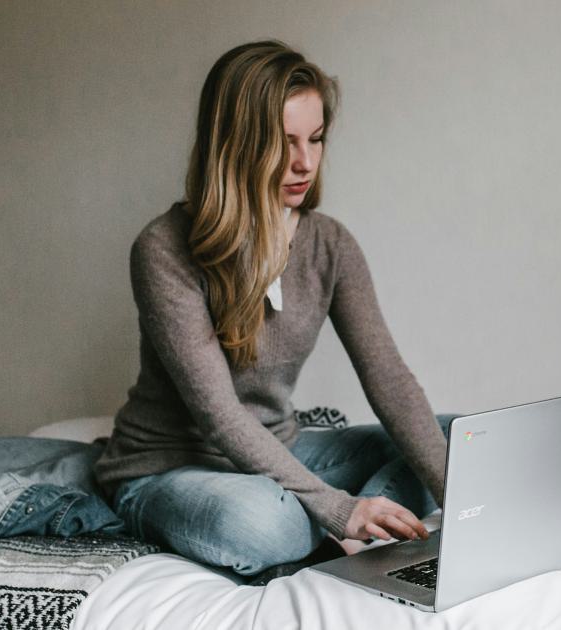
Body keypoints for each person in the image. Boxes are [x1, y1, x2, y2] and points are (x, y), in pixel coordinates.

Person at [92, 40, 454, 584]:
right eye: (282, 143)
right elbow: (219, 415)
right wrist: (336, 507)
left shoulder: (329, 243)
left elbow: (389, 378)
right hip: (170, 468)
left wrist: (459, 493)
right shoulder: (163, 248)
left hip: (284, 451)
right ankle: (343, 523)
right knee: (263, 526)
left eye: (316, 139)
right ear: (234, 144)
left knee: (455, 439)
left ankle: (364, 530)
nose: (304, 162)